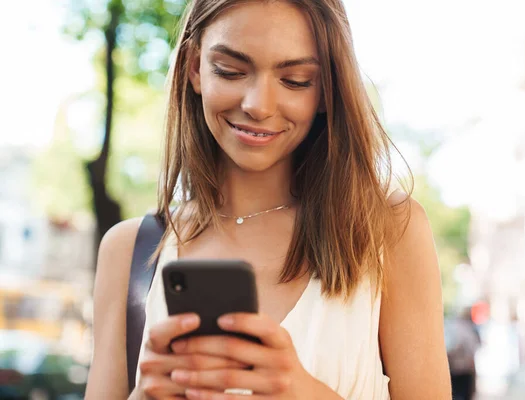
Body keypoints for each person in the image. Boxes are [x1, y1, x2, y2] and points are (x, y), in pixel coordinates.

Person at [85, 0, 451, 399]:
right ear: (195, 68)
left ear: (328, 89)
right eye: (231, 71)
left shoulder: (387, 231)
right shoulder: (130, 252)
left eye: (295, 80)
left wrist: (303, 393)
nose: (258, 105)